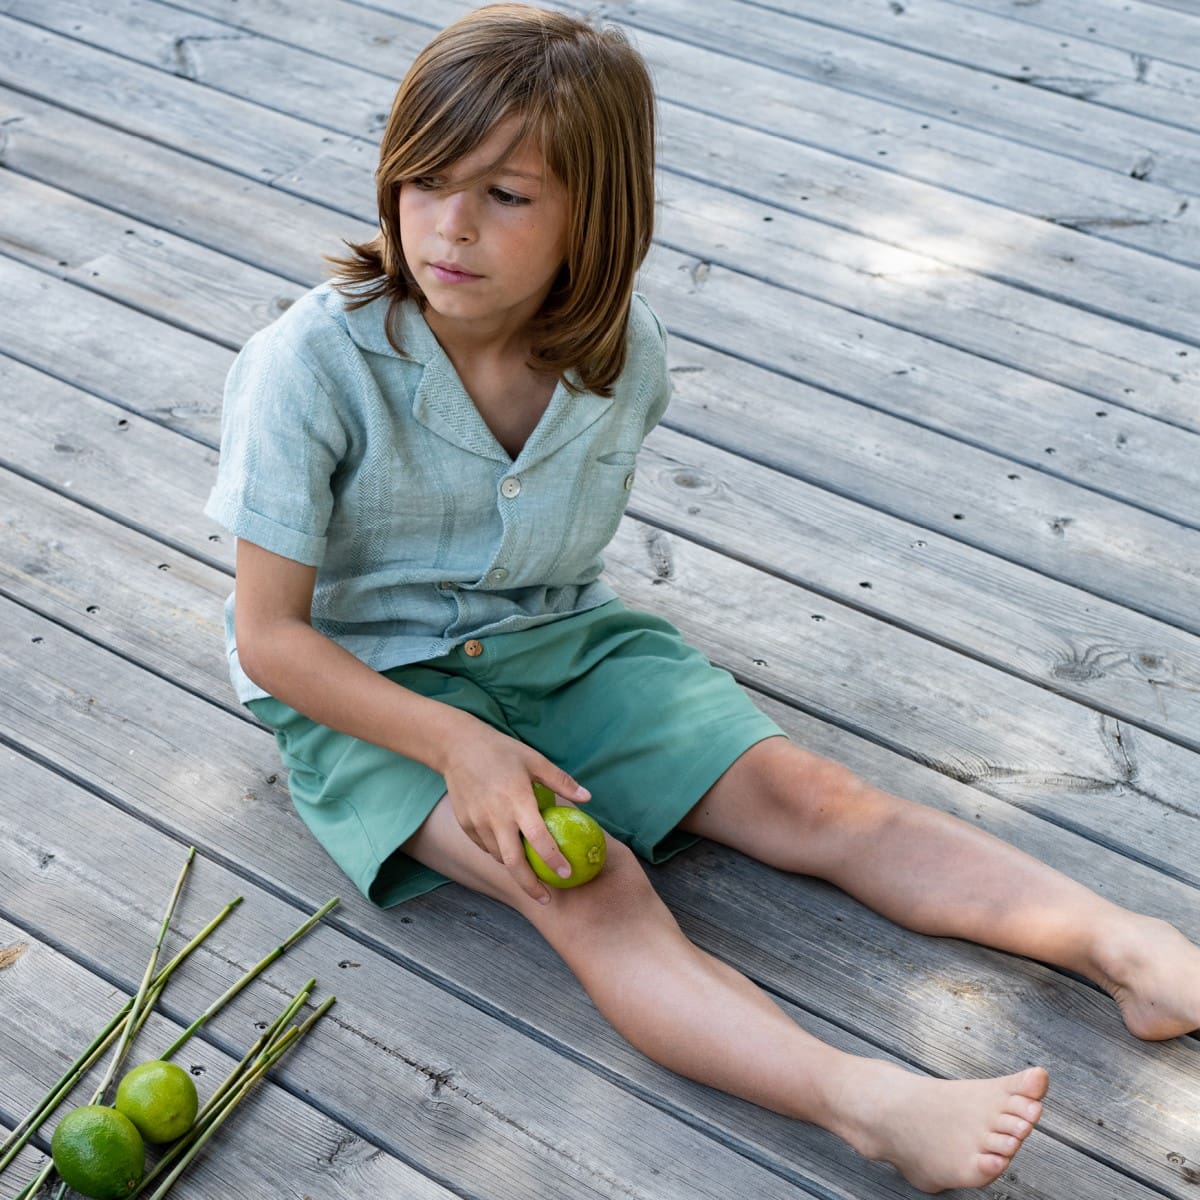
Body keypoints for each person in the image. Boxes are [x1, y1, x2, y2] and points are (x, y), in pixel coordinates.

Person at [205, 5, 1200, 1193]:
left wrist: (556, 706)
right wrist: (462, 745)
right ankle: (867, 1105)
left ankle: (1124, 944)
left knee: (815, 796)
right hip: (363, 692)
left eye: (507, 196)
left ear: (596, 215)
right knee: (589, 885)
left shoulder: (624, 358)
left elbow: (550, 579)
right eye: (424, 181)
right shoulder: (309, 363)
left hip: (560, 640)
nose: (449, 227)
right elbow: (270, 639)